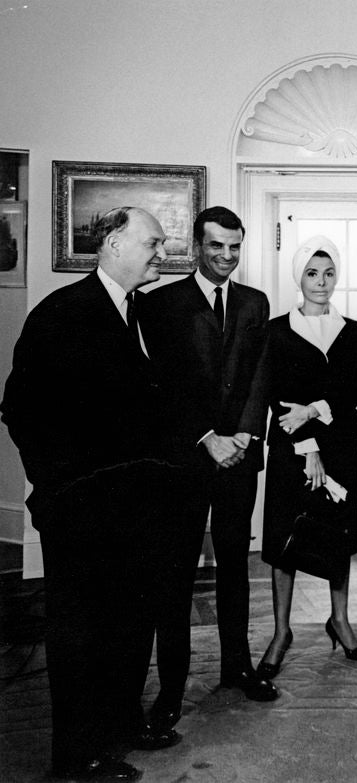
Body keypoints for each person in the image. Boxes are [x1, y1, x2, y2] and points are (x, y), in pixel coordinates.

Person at [1, 207, 182, 781]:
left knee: (128, 624)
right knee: (82, 635)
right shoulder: (64, 314)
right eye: (152, 243)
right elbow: (21, 410)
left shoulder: (140, 312)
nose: (161, 253)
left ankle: (121, 725)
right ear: (113, 244)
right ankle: (78, 755)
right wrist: (59, 490)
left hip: (136, 510)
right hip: (82, 513)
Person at [143, 206, 276, 723]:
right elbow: (163, 385)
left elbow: (261, 374)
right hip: (185, 458)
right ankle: (172, 688)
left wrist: (242, 433)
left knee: (235, 567)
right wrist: (206, 438)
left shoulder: (254, 303)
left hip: (240, 456)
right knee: (176, 575)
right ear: (197, 246)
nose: (226, 256)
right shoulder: (161, 304)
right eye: (216, 245)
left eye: (235, 247)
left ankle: (236, 668)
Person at [255, 236, 357, 679]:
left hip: (339, 446)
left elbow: (353, 391)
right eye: (311, 274)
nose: (320, 283)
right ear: (298, 278)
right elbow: (276, 397)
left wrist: (315, 409)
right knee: (286, 541)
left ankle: (339, 621)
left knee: (337, 538)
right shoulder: (277, 330)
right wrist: (306, 444)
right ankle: (281, 632)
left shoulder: (353, 332)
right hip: (291, 449)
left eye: (327, 273)